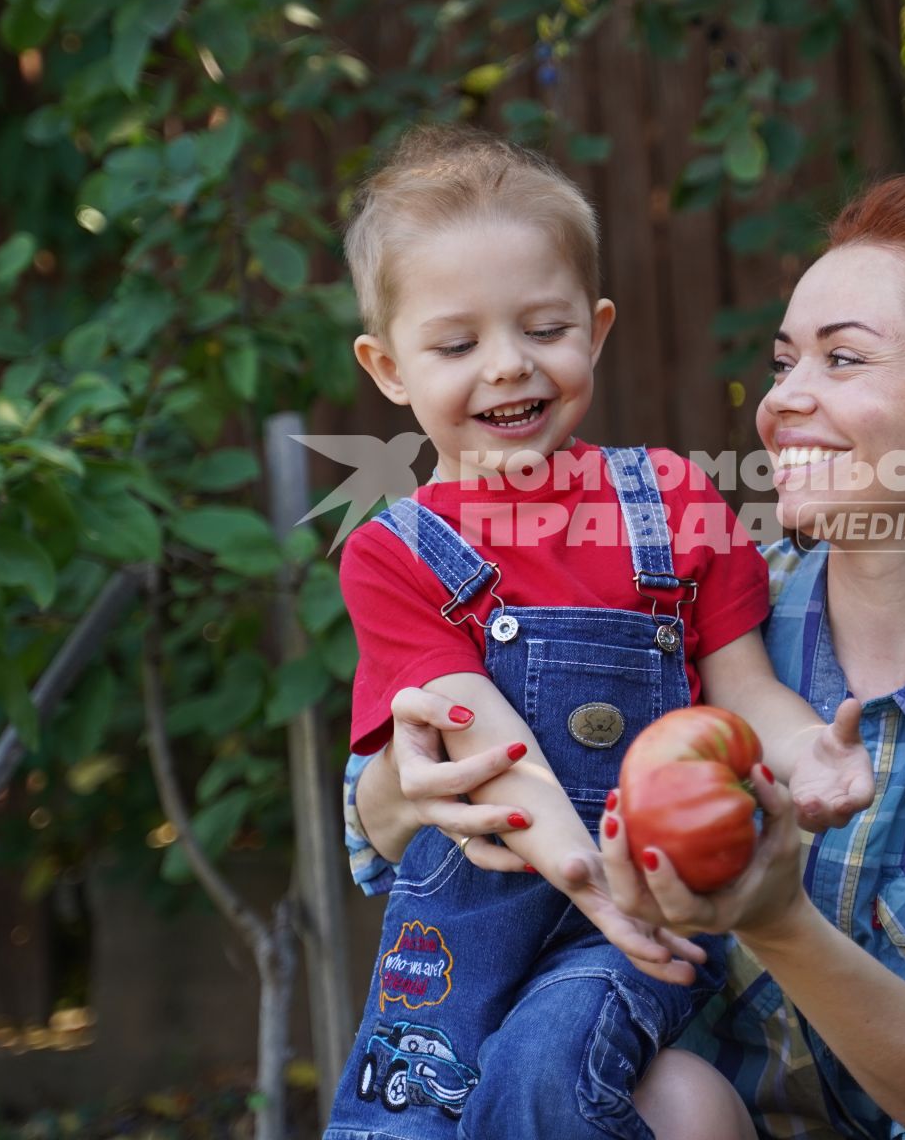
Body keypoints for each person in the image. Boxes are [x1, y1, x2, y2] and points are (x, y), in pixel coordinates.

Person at [345, 165, 905, 1139]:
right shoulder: (673, 606)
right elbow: (388, 839)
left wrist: (776, 920)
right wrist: (391, 787)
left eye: (842, 360)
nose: (781, 402)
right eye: (782, 360)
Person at [323, 124, 874, 1140]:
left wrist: (809, 754)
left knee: (549, 1065)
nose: (507, 366)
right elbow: (489, 745)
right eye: (456, 344)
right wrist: (585, 872)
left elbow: (742, 689)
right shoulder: (394, 554)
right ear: (388, 367)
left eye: (543, 326)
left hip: (637, 923)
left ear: (597, 327)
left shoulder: (671, 500)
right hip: (454, 946)